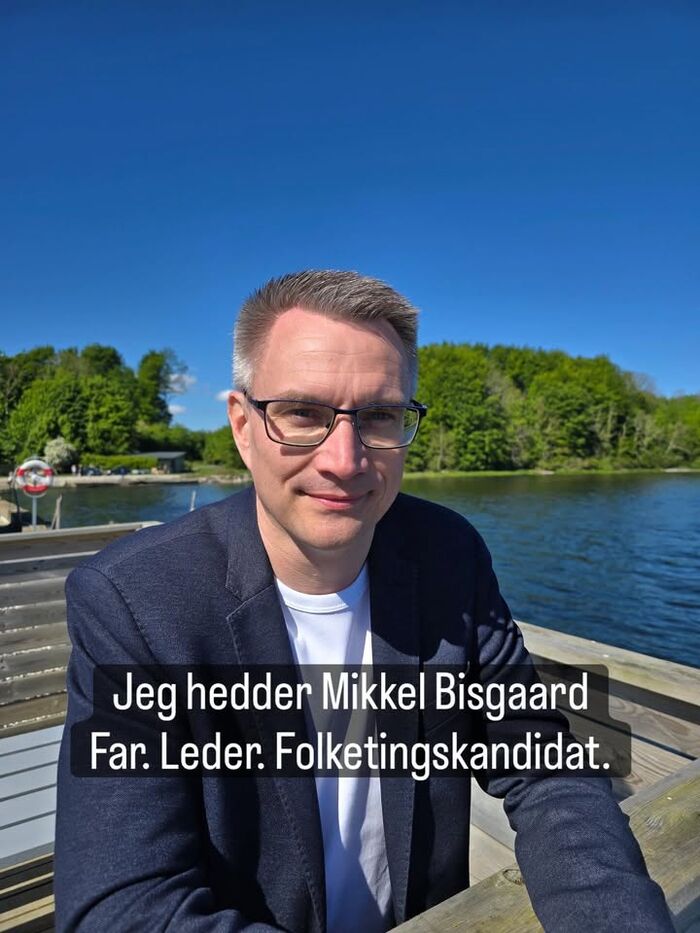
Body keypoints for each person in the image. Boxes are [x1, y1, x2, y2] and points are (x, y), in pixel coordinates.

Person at [54, 270, 673, 932]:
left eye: (378, 416)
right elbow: (121, 908)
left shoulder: (449, 555)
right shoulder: (134, 603)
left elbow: (543, 766)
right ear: (242, 425)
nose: (345, 460)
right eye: (302, 413)